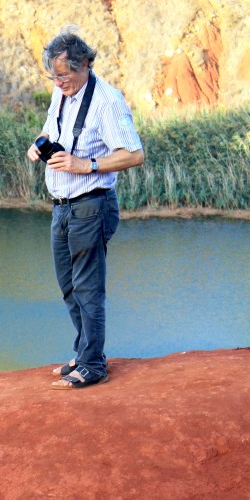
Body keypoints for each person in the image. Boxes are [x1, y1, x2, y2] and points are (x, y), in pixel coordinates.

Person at [27, 26, 143, 389]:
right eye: (54, 76)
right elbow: (53, 130)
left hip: (91, 205)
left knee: (88, 287)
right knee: (68, 286)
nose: (58, 82)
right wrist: (39, 145)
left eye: (64, 75)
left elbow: (134, 154)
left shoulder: (107, 101)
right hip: (61, 206)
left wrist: (87, 165)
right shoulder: (62, 93)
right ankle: (85, 352)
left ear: (86, 65)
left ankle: (93, 365)